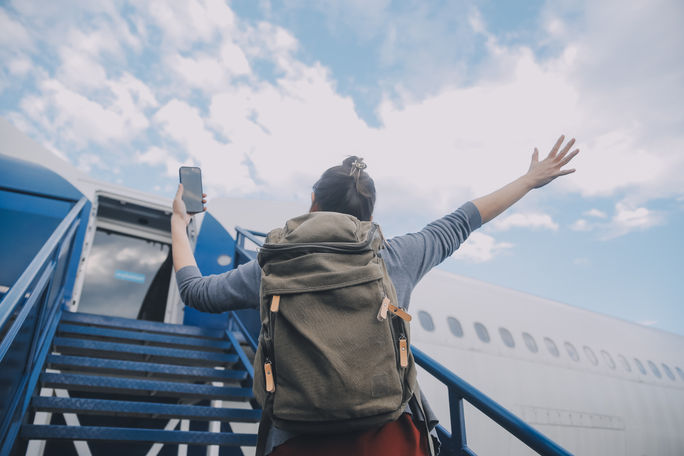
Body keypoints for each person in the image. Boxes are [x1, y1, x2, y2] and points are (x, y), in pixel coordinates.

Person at [170, 135, 579, 455]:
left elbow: (195, 291)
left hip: (296, 441)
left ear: (313, 202)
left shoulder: (270, 265)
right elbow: (463, 220)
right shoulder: (396, 256)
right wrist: (528, 180)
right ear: (368, 212)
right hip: (389, 439)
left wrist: (179, 220)